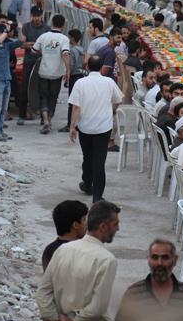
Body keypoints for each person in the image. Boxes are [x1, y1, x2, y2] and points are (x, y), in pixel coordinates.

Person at [36, 201, 121, 321]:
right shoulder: (106, 260)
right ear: (103, 226)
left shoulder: (63, 250)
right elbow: (96, 310)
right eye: (115, 224)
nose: (118, 229)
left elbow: (43, 294)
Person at [40, 200, 89, 321]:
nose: (87, 224)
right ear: (75, 225)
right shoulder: (75, 254)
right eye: (85, 220)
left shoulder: (50, 250)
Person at [69, 56, 124, 203]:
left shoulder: (80, 83)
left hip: (85, 126)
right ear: (101, 67)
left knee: (87, 157)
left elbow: (76, 107)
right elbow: (118, 100)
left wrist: (72, 126)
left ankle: (87, 183)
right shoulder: (108, 82)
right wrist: (111, 111)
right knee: (100, 161)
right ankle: (97, 196)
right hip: (103, 127)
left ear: (87, 67)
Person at [32, 14, 71, 134]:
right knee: (53, 97)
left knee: (43, 96)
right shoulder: (64, 39)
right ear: (63, 25)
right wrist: (68, 70)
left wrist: (44, 53)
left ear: (51, 23)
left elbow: (34, 50)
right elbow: (65, 54)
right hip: (56, 73)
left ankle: (45, 121)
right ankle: (49, 120)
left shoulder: (43, 36)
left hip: (43, 72)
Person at [0, 23, 22, 141]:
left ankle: (1, 131)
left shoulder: (7, 45)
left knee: (3, 109)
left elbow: (21, 41)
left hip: (7, 80)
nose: (4, 34)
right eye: (1, 32)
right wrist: (6, 31)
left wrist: (20, 29)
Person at [18, 7, 52, 125]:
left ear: (42, 15)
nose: (37, 18)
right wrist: (37, 44)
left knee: (43, 89)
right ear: (31, 16)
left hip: (42, 62)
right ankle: (21, 115)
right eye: (35, 16)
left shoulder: (47, 28)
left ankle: (43, 116)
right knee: (24, 87)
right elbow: (22, 44)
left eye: (39, 16)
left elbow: (47, 46)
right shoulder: (26, 27)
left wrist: (32, 45)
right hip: (28, 61)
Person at [61, 29, 86, 133]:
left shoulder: (72, 50)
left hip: (74, 76)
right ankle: (80, 123)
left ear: (72, 38)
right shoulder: (82, 50)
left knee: (72, 101)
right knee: (81, 101)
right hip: (82, 75)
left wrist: (67, 76)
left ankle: (69, 124)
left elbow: (71, 65)